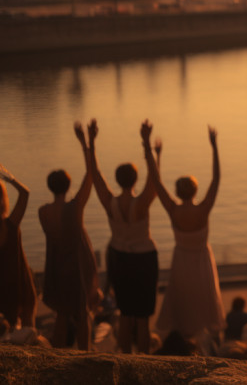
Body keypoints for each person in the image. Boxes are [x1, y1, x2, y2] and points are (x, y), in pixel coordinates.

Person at [87, 119, 159, 353]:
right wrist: (146, 143)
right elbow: (155, 180)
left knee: (126, 314)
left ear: (117, 180)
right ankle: (145, 362)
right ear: (134, 180)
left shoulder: (111, 203)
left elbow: (95, 174)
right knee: (143, 317)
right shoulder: (141, 204)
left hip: (120, 259)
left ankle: (126, 361)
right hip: (144, 258)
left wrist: (90, 141)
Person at [154, 126, 225, 340]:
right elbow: (216, 180)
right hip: (202, 260)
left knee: (182, 303)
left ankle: (183, 344)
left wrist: (157, 156)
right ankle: (211, 345)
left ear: (177, 191)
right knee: (206, 300)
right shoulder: (203, 210)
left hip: (181, 260)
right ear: (195, 190)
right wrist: (214, 147)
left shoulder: (173, 210)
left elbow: (156, 184)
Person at [38, 123, 101, 350]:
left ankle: (59, 355)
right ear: (68, 185)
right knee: (82, 314)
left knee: (62, 315)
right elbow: (91, 175)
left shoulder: (42, 212)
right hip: (76, 265)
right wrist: (87, 143)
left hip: (56, 266)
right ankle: (83, 355)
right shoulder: (74, 207)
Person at [0, 164, 36, 331]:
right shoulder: (11, 224)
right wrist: (10, 178)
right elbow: (25, 193)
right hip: (18, 278)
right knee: (28, 325)